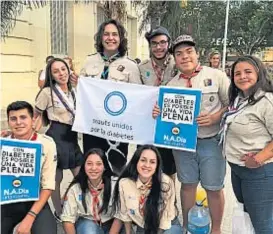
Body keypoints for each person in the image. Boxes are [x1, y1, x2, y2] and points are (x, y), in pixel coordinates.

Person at [153, 35, 230, 234]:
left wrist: (215, 117)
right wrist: (158, 114)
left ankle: (216, 229)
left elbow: (232, 104)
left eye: (189, 52)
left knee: (213, 187)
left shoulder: (217, 76)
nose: (184, 57)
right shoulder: (170, 86)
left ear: (197, 54)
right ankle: (187, 227)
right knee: (187, 185)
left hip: (211, 141)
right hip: (183, 145)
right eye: (179, 54)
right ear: (174, 59)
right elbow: (166, 118)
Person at [80, 19, 143, 175]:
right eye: (106, 34)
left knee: (115, 170)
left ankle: (114, 198)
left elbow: (137, 97)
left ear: (120, 38)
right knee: (93, 169)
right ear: (100, 38)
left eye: (115, 34)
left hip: (118, 129)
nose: (110, 38)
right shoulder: (89, 61)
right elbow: (81, 93)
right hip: (93, 127)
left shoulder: (130, 65)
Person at [220, 55, 273, 234]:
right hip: (238, 169)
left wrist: (259, 158)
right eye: (237, 73)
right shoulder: (239, 100)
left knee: (263, 224)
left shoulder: (267, 102)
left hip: (259, 173)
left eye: (248, 72)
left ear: (259, 73)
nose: (242, 76)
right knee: (247, 216)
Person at [35, 57, 83, 220]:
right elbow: (36, 116)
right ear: (51, 75)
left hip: (72, 137)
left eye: (63, 69)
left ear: (69, 69)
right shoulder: (47, 92)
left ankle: (68, 201)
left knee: (81, 175)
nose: (61, 73)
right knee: (56, 178)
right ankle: (58, 211)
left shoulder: (75, 89)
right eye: (56, 71)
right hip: (56, 137)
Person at [1, 101, 57, 234]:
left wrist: (30, 217)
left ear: (33, 120)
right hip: (6, 201)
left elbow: (48, 185)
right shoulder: (3, 142)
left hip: (35, 200)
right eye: (13, 119)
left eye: (23, 117)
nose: (18, 122)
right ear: (8, 122)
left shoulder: (47, 144)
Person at [110, 145, 182, 234]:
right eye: (143, 160)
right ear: (136, 161)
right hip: (144, 225)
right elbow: (124, 214)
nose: (147, 165)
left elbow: (165, 221)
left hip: (167, 226)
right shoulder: (124, 183)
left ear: (157, 166)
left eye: (152, 162)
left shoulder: (166, 183)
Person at [138, 26, 177, 181]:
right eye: (154, 43)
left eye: (162, 42)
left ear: (168, 43)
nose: (159, 47)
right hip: (148, 124)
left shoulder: (177, 65)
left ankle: (170, 200)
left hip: (169, 124)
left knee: (168, 168)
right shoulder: (142, 67)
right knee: (146, 164)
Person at [61, 148, 115, 234]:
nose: (94, 168)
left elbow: (120, 217)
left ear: (105, 167)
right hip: (88, 222)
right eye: (89, 164)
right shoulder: (75, 188)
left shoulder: (115, 186)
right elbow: (67, 220)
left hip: (111, 223)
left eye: (98, 164)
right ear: (84, 166)